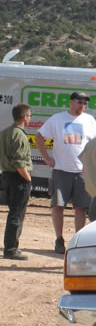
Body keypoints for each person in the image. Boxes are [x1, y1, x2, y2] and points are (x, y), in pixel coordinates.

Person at [35, 92, 96, 254]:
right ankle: (59, 240)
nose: (83, 105)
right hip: (61, 170)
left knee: (80, 208)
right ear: (71, 102)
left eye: (85, 103)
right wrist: (47, 158)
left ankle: (77, 241)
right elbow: (39, 137)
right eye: (79, 102)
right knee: (58, 205)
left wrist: (91, 165)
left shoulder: (90, 120)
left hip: (82, 172)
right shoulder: (57, 119)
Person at [0, 104, 33, 260]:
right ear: (25, 117)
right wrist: (28, 178)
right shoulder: (19, 135)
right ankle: (11, 248)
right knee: (17, 214)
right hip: (18, 178)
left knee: (13, 212)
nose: (30, 118)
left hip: (7, 175)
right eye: (29, 116)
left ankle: (11, 247)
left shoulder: (5, 132)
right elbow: (20, 162)